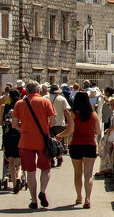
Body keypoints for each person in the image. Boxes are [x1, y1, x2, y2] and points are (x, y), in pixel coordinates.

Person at [12, 81, 56, 210]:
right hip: (42, 140)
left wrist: (24, 126)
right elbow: (53, 122)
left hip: (26, 140)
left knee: (30, 171)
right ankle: (42, 191)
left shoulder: (19, 104)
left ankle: (33, 200)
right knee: (45, 168)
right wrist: (44, 126)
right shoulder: (45, 102)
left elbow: (14, 124)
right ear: (38, 90)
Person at [62, 89, 100, 208]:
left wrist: (60, 135)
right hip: (89, 144)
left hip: (76, 144)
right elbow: (98, 131)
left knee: (77, 173)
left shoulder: (73, 114)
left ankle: (79, 197)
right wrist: (91, 131)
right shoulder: (93, 114)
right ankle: (88, 198)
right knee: (88, 174)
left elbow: (70, 130)